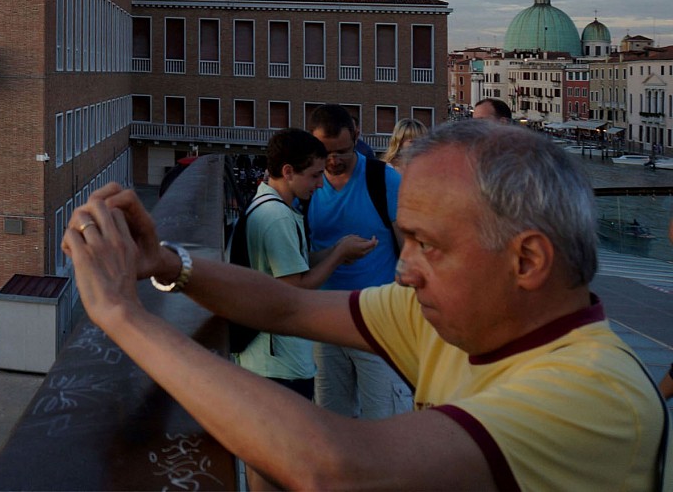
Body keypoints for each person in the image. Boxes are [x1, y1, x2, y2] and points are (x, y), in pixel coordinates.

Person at [62, 120, 667, 490]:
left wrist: (123, 316)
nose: (405, 269)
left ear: (527, 261)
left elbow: (336, 471)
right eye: (406, 241)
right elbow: (286, 307)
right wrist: (167, 265)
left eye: (428, 246)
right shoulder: (452, 319)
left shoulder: (592, 395)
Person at [236, 129, 377, 396]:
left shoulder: (267, 206)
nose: (321, 184)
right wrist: (337, 255)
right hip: (279, 365)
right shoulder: (277, 217)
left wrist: (338, 249)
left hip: (270, 359)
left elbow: (294, 265)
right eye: (314, 175)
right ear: (288, 171)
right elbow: (295, 288)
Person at [304, 104, 414, 420]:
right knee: (332, 424)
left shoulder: (384, 180)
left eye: (343, 151)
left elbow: (410, 251)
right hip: (325, 324)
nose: (334, 161)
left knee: (388, 423)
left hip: (378, 324)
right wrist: (338, 252)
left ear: (357, 136)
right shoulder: (306, 188)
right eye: (326, 154)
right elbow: (298, 260)